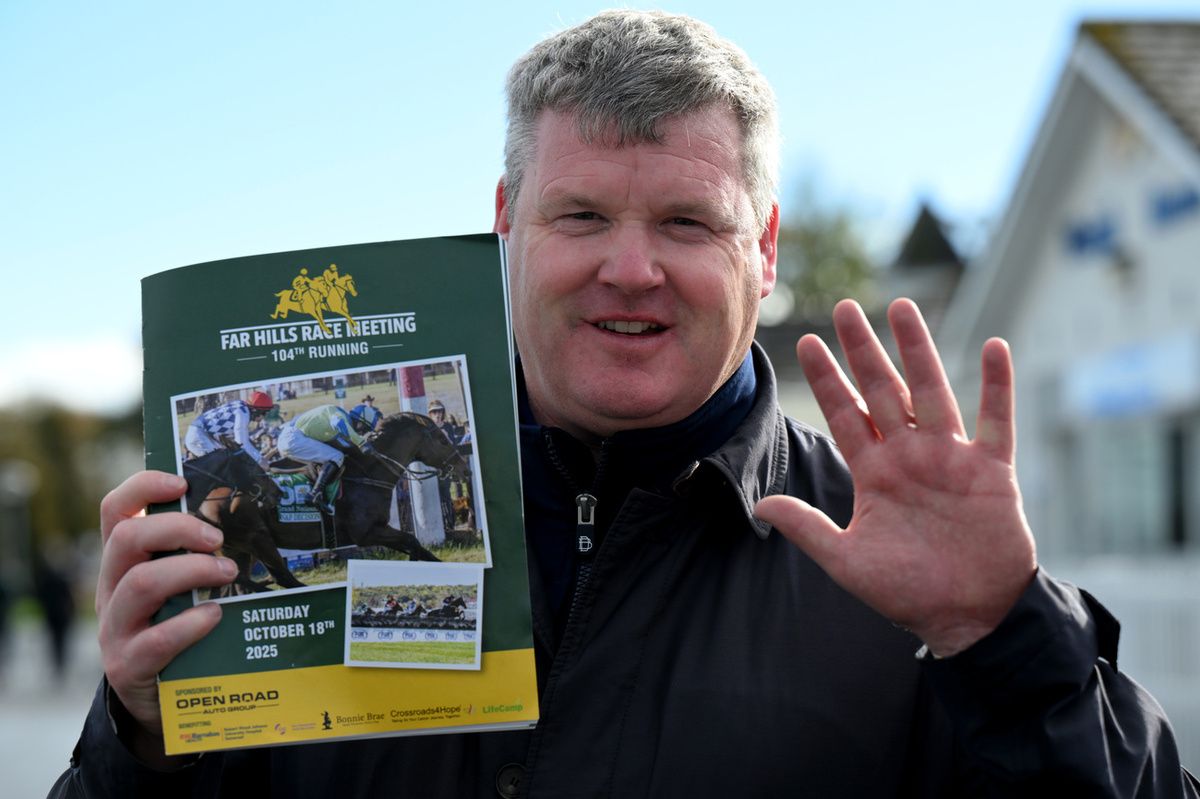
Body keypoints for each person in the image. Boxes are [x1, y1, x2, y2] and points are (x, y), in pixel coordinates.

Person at [53, 10, 1198, 798]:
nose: (632, 270)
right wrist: (145, 735)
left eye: (688, 224)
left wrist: (1004, 641)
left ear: (765, 249)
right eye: (584, 216)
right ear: (506, 222)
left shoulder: (898, 555)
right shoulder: (320, 527)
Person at [276, 404, 375, 513]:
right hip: (293, 438)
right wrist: (361, 443)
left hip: (291, 439)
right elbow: (339, 424)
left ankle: (319, 493)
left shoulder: (341, 420)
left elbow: (345, 445)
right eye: (365, 430)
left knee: (334, 456)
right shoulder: (340, 415)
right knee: (337, 456)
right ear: (360, 423)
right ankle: (315, 494)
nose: (362, 433)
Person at [183, 390, 274, 470]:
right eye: (264, 413)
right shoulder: (243, 414)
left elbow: (242, 441)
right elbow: (241, 442)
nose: (264, 417)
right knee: (224, 466)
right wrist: (259, 460)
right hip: (199, 435)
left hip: (203, 433)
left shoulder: (241, 405)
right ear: (255, 410)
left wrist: (259, 457)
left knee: (229, 460)